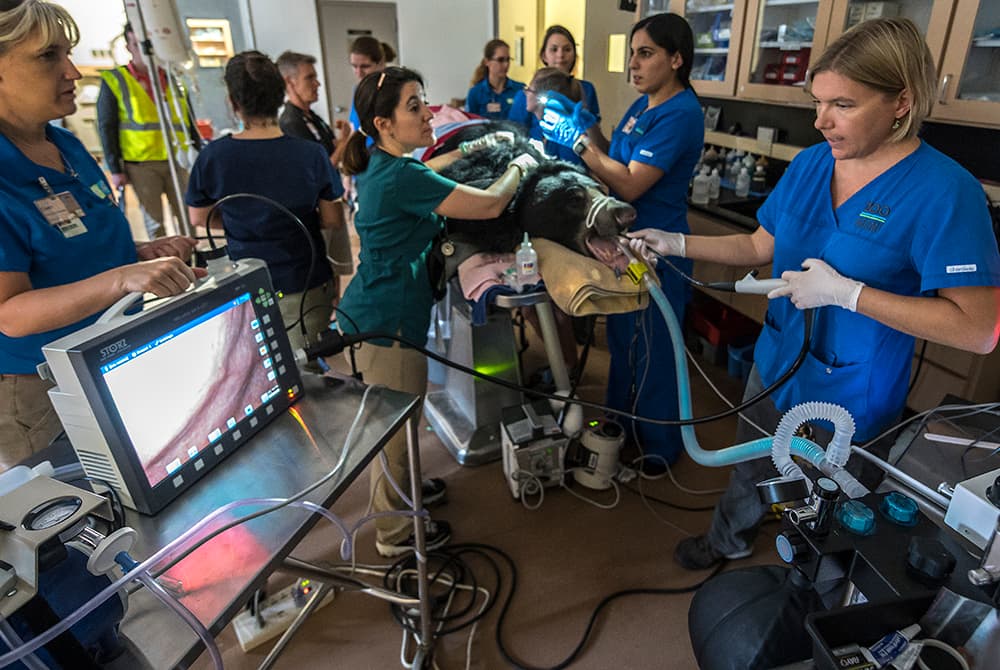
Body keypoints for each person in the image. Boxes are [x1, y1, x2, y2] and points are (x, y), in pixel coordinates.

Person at [628, 17, 1000, 570]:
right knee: (752, 461)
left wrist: (850, 294)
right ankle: (728, 538)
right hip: (778, 357)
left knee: (830, 505)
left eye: (843, 105)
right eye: (818, 101)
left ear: (902, 101)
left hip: (850, 391)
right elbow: (760, 244)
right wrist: (677, 240)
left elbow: (978, 330)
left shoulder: (946, 192)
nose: (821, 120)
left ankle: (816, 593)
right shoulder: (809, 164)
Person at [338, 66, 537, 557]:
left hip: (382, 314)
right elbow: (490, 205)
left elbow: (428, 172)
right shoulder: (400, 176)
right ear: (384, 123)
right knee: (396, 436)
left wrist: (469, 151)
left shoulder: (386, 164)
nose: (427, 113)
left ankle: (406, 501)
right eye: (413, 106)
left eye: (424, 101)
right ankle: (395, 537)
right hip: (386, 325)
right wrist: (523, 164)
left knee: (403, 421)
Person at [0, 0, 203, 472]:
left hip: (107, 358)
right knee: (68, 516)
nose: (72, 71)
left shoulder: (65, 145)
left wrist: (139, 257)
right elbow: (9, 312)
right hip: (40, 390)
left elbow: (68, 249)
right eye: (48, 56)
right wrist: (122, 279)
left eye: (67, 53)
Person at [541, 13, 703, 470]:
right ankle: (621, 427)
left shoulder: (681, 114)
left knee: (654, 346)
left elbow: (630, 184)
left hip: (658, 252)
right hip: (626, 245)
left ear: (676, 59)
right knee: (625, 337)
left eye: (645, 53)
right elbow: (612, 156)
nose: (633, 63)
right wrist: (586, 125)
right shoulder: (643, 106)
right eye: (632, 53)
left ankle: (659, 448)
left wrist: (577, 144)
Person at [186, 51, 344, 354]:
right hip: (305, 283)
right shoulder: (310, 155)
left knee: (261, 367)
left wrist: (241, 221)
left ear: (233, 103)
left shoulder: (213, 157)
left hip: (245, 284)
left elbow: (199, 216)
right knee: (306, 367)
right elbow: (333, 220)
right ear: (281, 93)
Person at [97, 21, 199, 238]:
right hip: (141, 162)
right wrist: (115, 168)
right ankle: (167, 265)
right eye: (137, 44)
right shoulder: (117, 80)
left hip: (178, 158)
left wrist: (197, 155)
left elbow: (189, 120)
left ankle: (195, 260)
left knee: (187, 216)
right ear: (128, 46)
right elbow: (106, 126)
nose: (144, 51)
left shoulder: (174, 77)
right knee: (155, 223)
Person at [276, 50, 352, 302]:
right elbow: (320, 167)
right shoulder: (291, 123)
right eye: (310, 78)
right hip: (318, 211)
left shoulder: (312, 118)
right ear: (290, 82)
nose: (317, 84)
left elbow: (328, 153)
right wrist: (345, 143)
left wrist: (340, 142)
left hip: (331, 201)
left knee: (336, 272)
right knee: (327, 273)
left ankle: (332, 314)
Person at [508, 25, 604, 149]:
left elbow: (597, 142)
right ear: (544, 55)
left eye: (567, 49)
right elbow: (514, 136)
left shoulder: (585, 89)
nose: (561, 55)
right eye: (554, 49)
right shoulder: (527, 95)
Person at [465, 39, 523, 120]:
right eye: (500, 60)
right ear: (487, 62)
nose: (506, 65)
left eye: (508, 60)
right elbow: (469, 124)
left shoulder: (520, 90)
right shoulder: (476, 93)